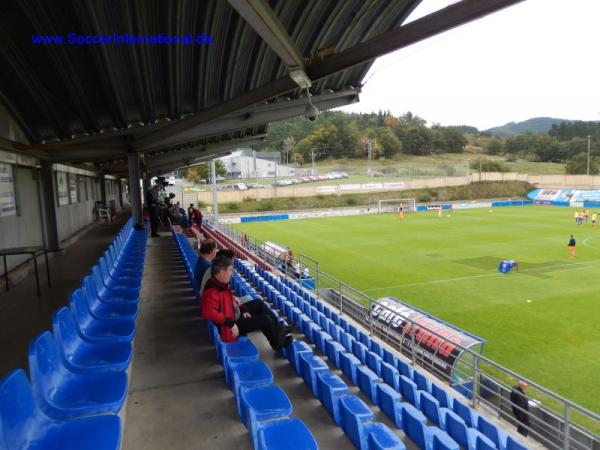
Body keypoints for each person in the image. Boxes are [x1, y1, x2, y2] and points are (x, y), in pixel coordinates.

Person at [201, 254, 293, 351]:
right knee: (265, 320)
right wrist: (230, 323)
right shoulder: (212, 291)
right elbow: (207, 312)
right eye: (230, 270)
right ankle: (277, 343)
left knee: (258, 303)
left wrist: (242, 309)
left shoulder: (219, 283)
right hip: (229, 327)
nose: (232, 273)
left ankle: (278, 328)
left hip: (233, 314)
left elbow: (228, 300)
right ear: (222, 272)